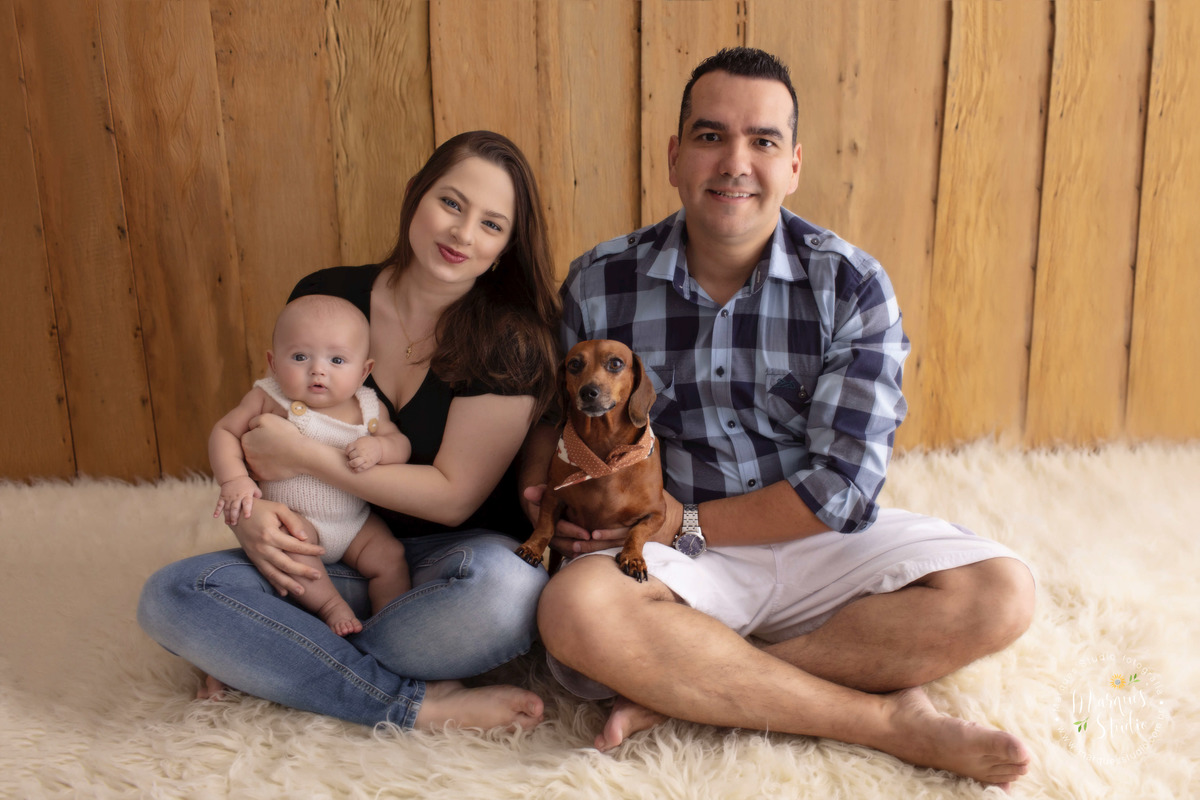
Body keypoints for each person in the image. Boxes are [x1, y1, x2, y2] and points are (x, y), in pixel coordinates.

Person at [519, 48, 1036, 789]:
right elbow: (549, 422)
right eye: (709, 136)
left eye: (761, 141)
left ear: (793, 165)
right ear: (674, 157)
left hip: (811, 541)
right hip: (672, 557)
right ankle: (881, 721)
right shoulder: (603, 281)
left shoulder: (851, 284)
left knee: (1001, 592)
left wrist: (688, 521)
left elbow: (843, 492)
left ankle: (693, 692)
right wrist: (551, 505)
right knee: (574, 614)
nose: (735, 162)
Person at [139, 130, 561, 733]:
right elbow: (257, 430)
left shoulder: (511, 341)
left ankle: (278, 656)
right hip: (333, 550)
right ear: (416, 196)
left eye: (492, 225)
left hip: (457, 567)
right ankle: (412, 703)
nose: (463, 235)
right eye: (451, 203)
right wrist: (250, 517)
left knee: (508, 596)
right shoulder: (327, 296)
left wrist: (310, 460)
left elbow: (452, 496)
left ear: (505, 249)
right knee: (173, 594)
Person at [210, 294, 413, 636]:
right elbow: (224, 431)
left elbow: (401, 445)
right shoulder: (270, 397)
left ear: (364, 370)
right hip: (297, 520)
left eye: (337, 360)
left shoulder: (368, 407)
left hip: (354, 524)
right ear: (273, 363)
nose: (318, 370)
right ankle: (331, 605)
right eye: (300, 356)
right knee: (292, 548)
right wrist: (233, 480)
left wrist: (379, 448)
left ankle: (394, 629)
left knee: (391, 557)